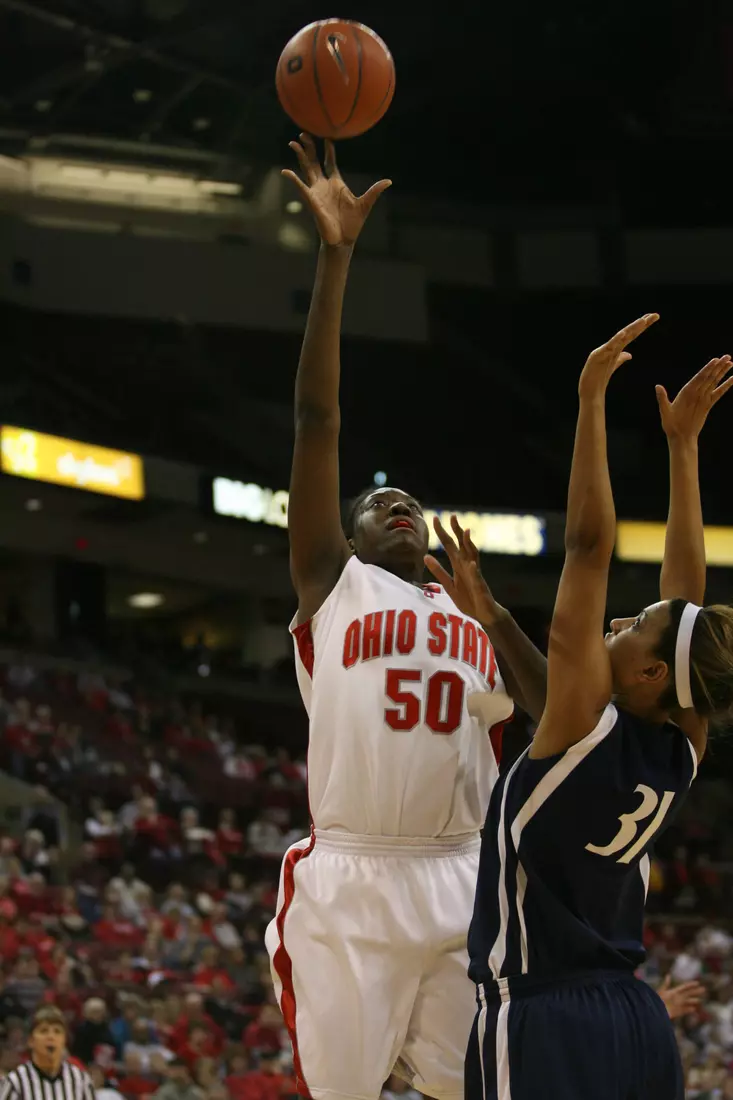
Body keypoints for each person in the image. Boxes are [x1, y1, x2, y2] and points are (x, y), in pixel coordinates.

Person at [265, 132, 549, 1100]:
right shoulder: (331, 581)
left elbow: (554, 726)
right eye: (378, 503)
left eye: (413, 506)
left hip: (461, 870)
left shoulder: (468, 609)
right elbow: (317, 421)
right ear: (344, 532)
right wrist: (337, 255)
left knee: (467, 1085)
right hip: (351, 871)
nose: (401, 506)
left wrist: (500, 616)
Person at [465, 316, 733, 1099]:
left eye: (633, 626)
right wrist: (682, 451)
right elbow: (684, 603)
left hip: (543, 1016)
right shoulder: (679, 743)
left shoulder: (584, 721)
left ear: (650, 672)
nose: (618, 619)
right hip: (633, 1020)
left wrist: (589, 400)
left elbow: (587, 549)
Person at [0, 1005, 95, 1100]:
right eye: (44, 1031)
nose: (51, 1037)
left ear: (64, 1040)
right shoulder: (15, 1082)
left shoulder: (81, 1080)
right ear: (31, 1041)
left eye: (57, 1031)